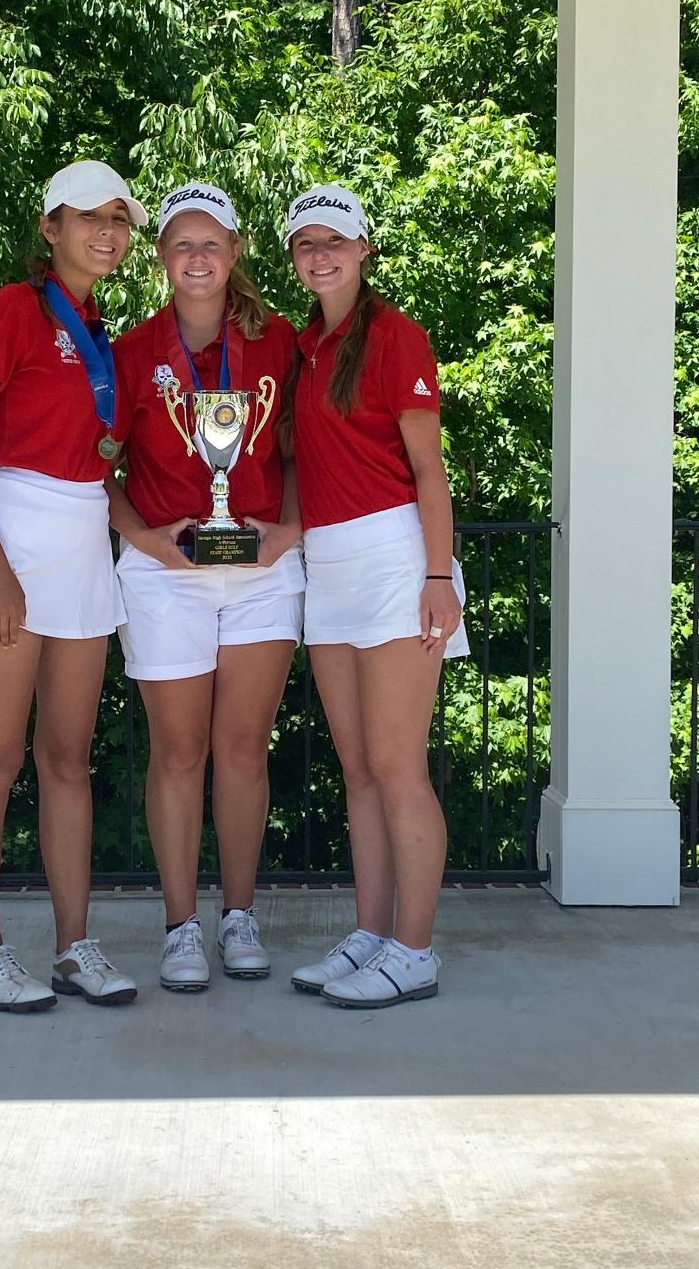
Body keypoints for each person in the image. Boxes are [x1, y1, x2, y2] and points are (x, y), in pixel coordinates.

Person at [0, 160, 147, 1012]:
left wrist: (153, 539)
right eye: (87, 216)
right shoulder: (12, 310)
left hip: (84, 545)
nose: (107, 232)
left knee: (66, 759)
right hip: (10, 540)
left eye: (120, 219)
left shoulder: (101, 329)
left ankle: (73, 947)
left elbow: (103, 468)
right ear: (49, 227)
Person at [107, 182, 303, 991]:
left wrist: (288, 533)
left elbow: (298, 452)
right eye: (181, 244)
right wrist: (143, 538)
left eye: (211, 243)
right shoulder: (127, 350)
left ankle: (240, 915)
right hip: (166, 573)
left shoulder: (280, 341)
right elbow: (98, 467)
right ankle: (182, 926)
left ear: (235, 252)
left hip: (260, 571)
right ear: (160, 256)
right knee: (179, 753)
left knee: (242, 752)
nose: (197, 257)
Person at [282, 184, 469, 1009]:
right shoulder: (301, 346)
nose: (319, 255)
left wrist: (438, 575)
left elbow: (430, 470)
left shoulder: (397, 337)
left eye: (334, 241)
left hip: (397, 559)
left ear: (364, 250)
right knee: (358, 769)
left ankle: (416, 949)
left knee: (397, 765)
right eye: (304, 244)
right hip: (328, 564)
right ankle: (371, 935)